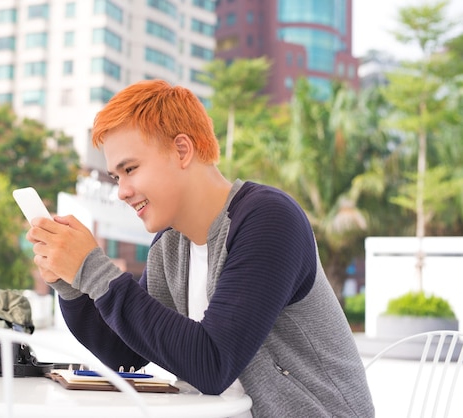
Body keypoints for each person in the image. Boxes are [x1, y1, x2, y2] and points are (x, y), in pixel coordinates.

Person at [27, 79, 374, 417]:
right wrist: (69, 280)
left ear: (182, 150)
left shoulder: (268, 219)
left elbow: (212, 363)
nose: (122, 191)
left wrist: (92, 268)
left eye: (130, 169)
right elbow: (125, 353)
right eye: (117, 177)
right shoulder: (170, 245)